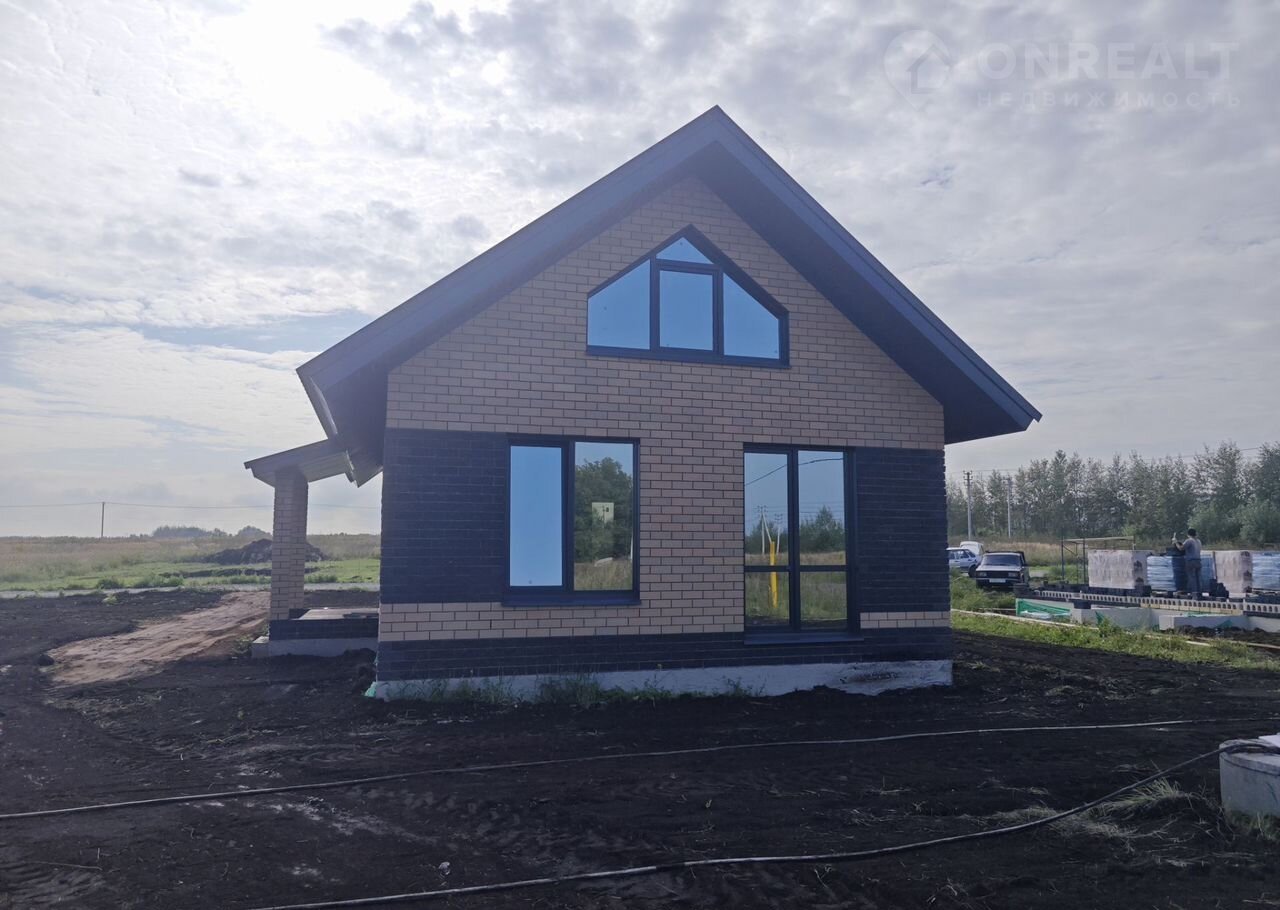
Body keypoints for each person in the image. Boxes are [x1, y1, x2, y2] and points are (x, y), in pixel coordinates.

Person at [1174, 528, 1203, 598]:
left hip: (1191, 561)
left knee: (1192, 578)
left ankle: (1194, 593)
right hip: (1198, 561)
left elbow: (1181, 548)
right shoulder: (1198, 541)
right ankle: (1199, 592)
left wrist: (1175, 542)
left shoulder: (1189, 540)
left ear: (1188, 534)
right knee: (1198, 578)